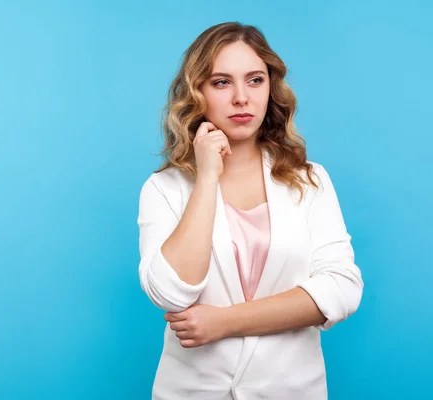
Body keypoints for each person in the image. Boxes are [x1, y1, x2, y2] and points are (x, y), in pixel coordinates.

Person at [137, 21, 364, 400]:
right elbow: (171, 294)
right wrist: (207, 177)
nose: (241, 97)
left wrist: (224, 322)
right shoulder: (165, 189)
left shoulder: (310, 180)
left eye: (255, 80)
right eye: (222, 82)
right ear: (198, 92)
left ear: (270, 88)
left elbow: (341, 289)